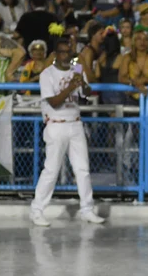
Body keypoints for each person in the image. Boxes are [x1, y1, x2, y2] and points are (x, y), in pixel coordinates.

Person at [30, 37, 105, 227]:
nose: (66, 56)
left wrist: (83, 84)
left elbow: (87, 95)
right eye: (62, 52)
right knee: (51, 170)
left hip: (75, 123)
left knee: (82, 170)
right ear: (55, 54)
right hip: (56, 124)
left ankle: (87, 209)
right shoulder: (47, 74)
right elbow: (53, 102)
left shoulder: (77, 70)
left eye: (69, 53)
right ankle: (37, 209)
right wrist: (71, 86)